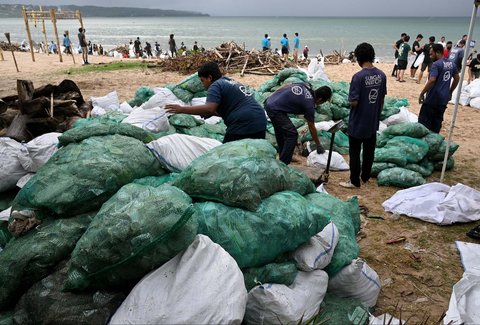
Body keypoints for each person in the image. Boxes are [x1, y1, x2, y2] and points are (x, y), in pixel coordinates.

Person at [165, 62, 267, 143]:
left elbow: (209, 108)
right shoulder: (229, 81)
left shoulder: (215, 85)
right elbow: (230, 107)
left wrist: (181, 109)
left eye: (202, 81)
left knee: (227, 155)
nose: (203, 85)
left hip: (243, 122)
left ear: (210, 78)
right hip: (260, 120)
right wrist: (211, 113)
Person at [340, 42, 387, 189]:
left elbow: (354, 102)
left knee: (354, 152)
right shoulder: (381, 75)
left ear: (359, 58)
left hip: (358, 121)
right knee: (369, 151)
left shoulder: (358, 77)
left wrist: (348, 101)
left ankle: (354, 181)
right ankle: (365, 176)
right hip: (372, 121)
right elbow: (382, 98)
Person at [265, 84, 331, 165]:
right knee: (292, 134)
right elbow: (311, 127)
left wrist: (272, 95)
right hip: (275, 109)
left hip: (271, 102)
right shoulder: (310, 105)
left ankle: (283, 156)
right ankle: (283, 164)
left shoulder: (304, 86)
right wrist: (318, 144)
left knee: (281, 131)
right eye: (323, 102)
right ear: (320, 99)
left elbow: (286, 85)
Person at [418, 44, 460, 133]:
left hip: (433, 98)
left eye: (431, 54)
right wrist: (450, 91)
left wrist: (422, 93)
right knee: (437, 122)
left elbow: (432, 80)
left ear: (437, 53)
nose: (430, 56)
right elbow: (457, 78)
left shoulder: (436, 65)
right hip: (443, 99)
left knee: (424, 122)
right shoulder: (452, 64)